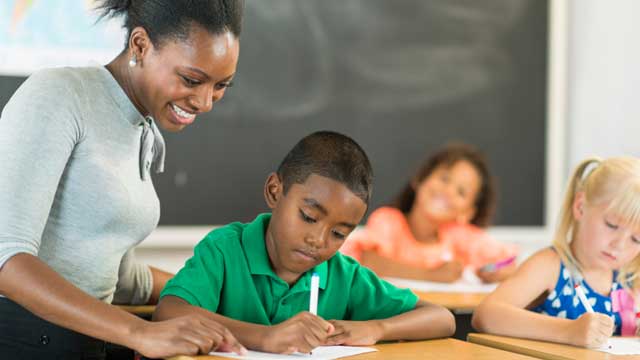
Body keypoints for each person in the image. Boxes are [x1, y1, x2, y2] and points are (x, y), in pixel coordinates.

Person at [0, 0, 247, 358]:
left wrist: (229, 301)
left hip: (86, 341)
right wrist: (138, 333)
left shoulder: (138, 126)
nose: (206, 101)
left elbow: (120, 276)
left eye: (221, 85)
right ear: (140, 45)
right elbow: (7, 258)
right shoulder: (61, 94)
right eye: (192, 79)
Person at [153, 131, 456, 354]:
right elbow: (169, 310)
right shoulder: (225, 250)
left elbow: (441, 318)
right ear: (274, 191)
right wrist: (266, 337)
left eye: (339, 233)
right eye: (309, 216)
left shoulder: (343, 275)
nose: (318, 240)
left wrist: (376, 328)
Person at [472, 157, 640, 348]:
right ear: (580, 207)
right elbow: (487, 315)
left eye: (636, 239)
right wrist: (568, 331)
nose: (619, 245)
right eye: (612, 225)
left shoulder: (630, 278)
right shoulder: (550, 266)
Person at [340, 143, 517, 283]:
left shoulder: (459, 236)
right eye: (444, 178)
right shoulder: (389, 221)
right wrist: (431, 275)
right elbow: (367, 260)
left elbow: (507, 263)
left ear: (468, 212)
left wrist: (495, 272)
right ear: (420, 179)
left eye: (461, 192)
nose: (448, 191)